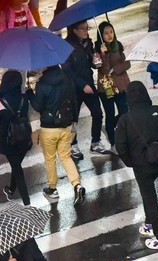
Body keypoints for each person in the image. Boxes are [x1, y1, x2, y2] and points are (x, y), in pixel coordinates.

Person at [115, 81, 158, 251]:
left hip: (141, 165)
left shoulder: (125, 120)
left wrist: (130, 162)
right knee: (148, 196)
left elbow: (120, 147)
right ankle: (149, 224)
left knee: (149, 199)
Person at [27, 65, 86, 205]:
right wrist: (74, 121)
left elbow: (38, 107)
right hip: (65, 125)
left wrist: (29, 93)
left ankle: (52, 188)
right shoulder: (68, 79)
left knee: (50, 159)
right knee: (65, 156)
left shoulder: (42, 84)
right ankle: (77, 184)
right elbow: (74, 101)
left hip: (48, 128)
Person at [63, 19, 106, 159]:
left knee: (98, 113)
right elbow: (68, 70)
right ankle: (73, 145)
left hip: (88, 83)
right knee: (73, 118)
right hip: (74, 87)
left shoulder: (88, 43)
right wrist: (83, 85)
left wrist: (96, 61)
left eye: (88, 28)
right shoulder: (66, 46)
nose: (87, 31)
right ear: (75, 30)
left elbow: (91, 63)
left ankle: (95, 142)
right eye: (84, 28)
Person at [0, 71, 32, 206]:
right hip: (24, 137)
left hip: (8, 140)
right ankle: (11, 188)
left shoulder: (0, 100)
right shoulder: (24, 98)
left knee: (17, 169)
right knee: (16, 165)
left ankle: (27, 202)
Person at [95, 21, 130, 155]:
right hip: (106, 88)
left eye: (111, 32)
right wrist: (104, 55)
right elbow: (103, 69)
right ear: (101, 35)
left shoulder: (118, 45)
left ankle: (113, 130)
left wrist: (116, 69)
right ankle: (113, 143)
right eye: (106, 33)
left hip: (120, 86)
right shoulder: (97, 49)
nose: (110, 35)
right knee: (109, 114)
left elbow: (127, 63)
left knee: (124, 112)